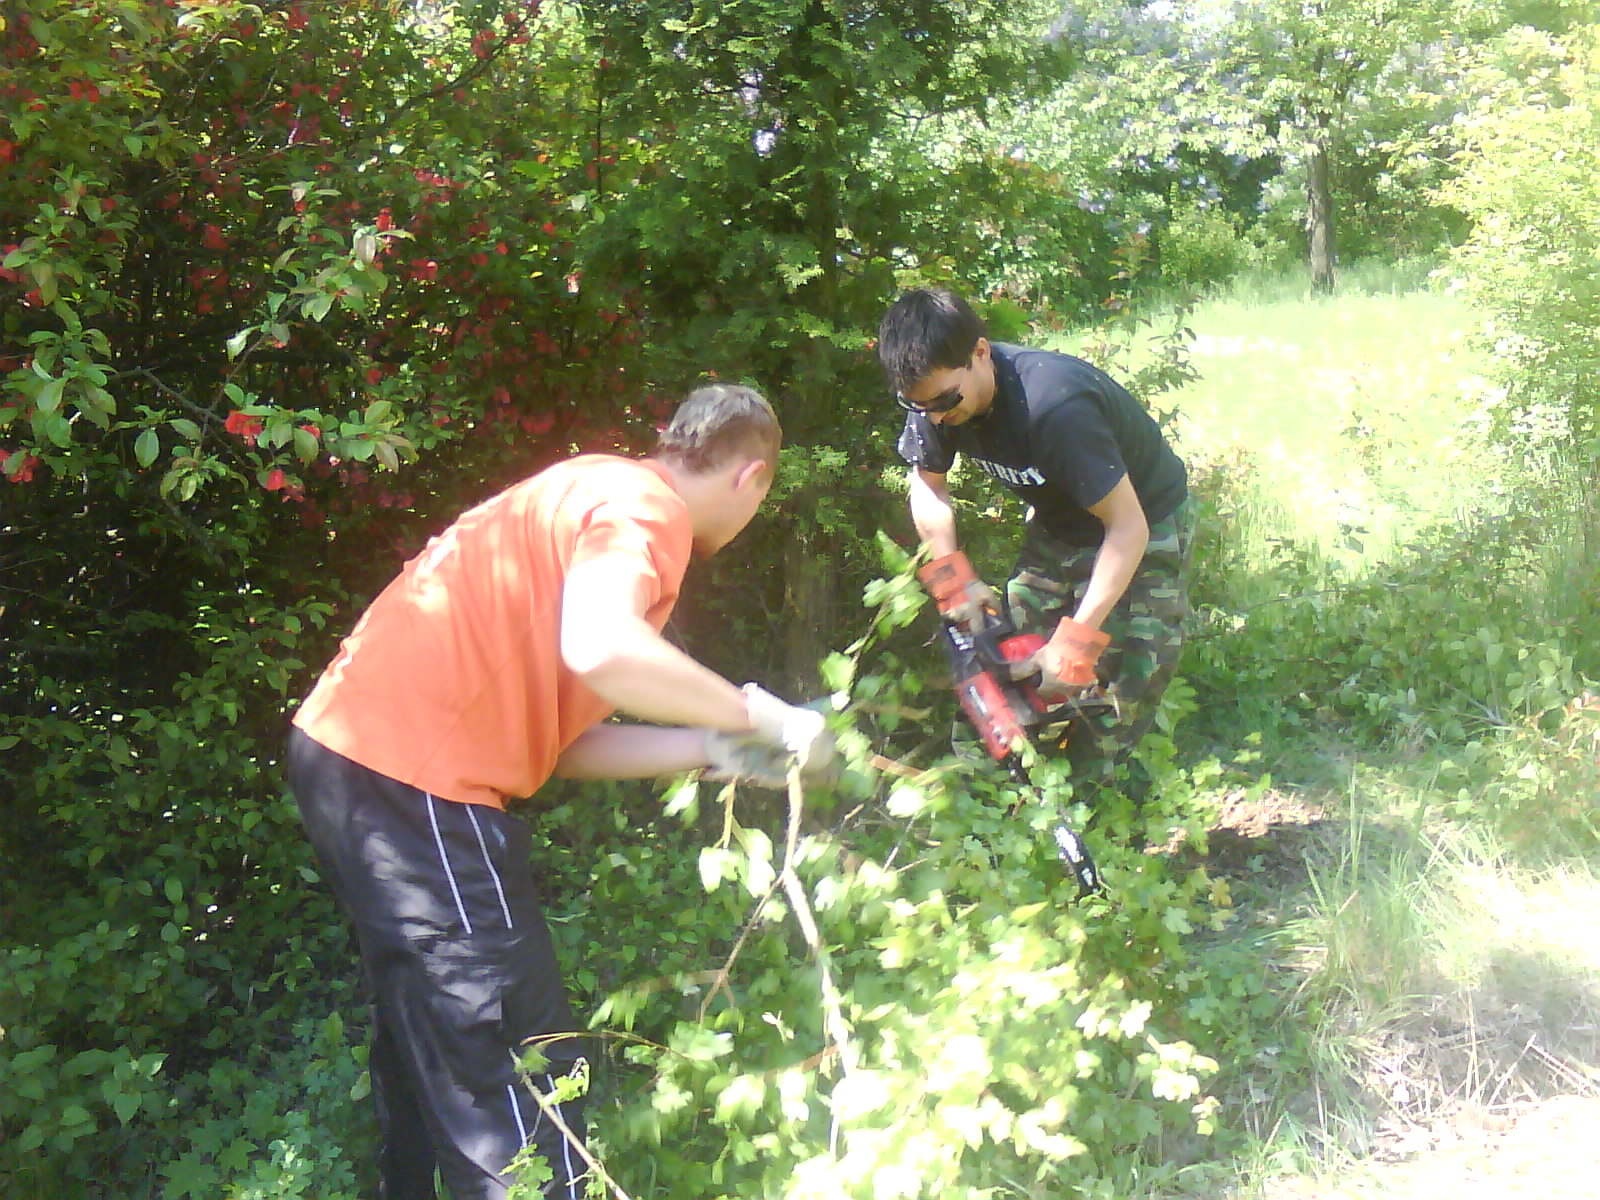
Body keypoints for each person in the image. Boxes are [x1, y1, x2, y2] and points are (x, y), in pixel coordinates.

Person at [286, 383, 835, 1200]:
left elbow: (554, 742)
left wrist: (710, 745)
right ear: (752, 477)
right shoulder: (647, 509)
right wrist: (764, 715)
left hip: (355, 759)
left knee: (432, 1034)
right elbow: (602, 647)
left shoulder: (589, 489)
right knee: (510, 1060)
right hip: (415, 782)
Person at [877, 287, 1194, 786]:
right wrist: (954, 579)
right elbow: (927, 486)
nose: (935, 417)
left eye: (943, 401)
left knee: (1124, 674)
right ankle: (994, 797)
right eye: (919, 405)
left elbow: (1127, 526)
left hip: (1143, 520)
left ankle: (1093, 802)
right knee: (1008, 658)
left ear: (980, 352)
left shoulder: (1055, 406)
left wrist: (1076, 642)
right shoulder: (934, 401)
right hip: (1058, 519)